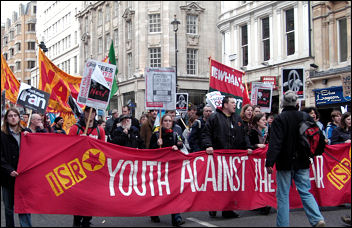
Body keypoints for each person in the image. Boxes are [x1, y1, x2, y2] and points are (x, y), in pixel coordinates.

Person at [265, 90, 326, 227]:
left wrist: (270, 161)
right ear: (297, 103)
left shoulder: (279, 119)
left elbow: (276, 142)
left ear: (283, 104)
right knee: (305, 192)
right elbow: (318, 136)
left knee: (283, 196)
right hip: (303, 160)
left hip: (284, 161)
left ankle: (283, 225)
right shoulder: (306, 117)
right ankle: (317, 219)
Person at [202, 96, 253, 219]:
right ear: (225, 105)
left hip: (233, 158)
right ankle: (213, 206)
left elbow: (243, 135)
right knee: (217, 183)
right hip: (218, 157)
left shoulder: (237, 119)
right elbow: (206, 134)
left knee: (230, 184)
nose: (235, 105)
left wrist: (247, 147)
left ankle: (228, 209)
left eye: (235, 103)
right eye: (232, 103)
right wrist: (208, 146)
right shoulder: (214, 117)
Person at [68, 106, 105, 227]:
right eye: (88, 111)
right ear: (84, 113)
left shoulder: (100, 130)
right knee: (78, 197)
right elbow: (67, 148)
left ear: (95, 114)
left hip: (94, 169)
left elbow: (104, 149)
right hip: (78, 168)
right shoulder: (75, 129)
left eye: (92, 112)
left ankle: (87, 220)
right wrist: (79, 141)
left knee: (91, 196)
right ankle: (77, 221)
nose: (90, 114)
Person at [149, 114, 185, 226]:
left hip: (173, 168)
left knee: (174, 191)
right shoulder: (156, 135)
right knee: (159, 191)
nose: (168, 123)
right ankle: (154, 213)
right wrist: (157, 144)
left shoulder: (175, 134)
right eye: (165, 121)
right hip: (160, 168)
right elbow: (149, 151)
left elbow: (181, 144)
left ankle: (176, 216)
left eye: (170, 121)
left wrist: (177, 146)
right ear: (161, 122)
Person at [1, 108, 32, 227]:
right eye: (10, 116)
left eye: (15, 115)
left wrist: (31, 137)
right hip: (8, 176)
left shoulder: (26, 132)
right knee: (9, 208)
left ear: (19, 118)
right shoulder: (2, 135)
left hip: (23, 176)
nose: (13, 117)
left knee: (24, 206)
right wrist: (9, 170)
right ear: (6, 119)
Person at [248, 113, 271, 215]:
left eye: (265, 119)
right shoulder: (252, 132)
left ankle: (265, 202)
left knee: (265, 182)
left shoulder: (267, 131)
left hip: (265, 161)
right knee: (257, 182)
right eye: (263, 120)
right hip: (255, 162)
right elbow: (248, 145)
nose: (265, 121)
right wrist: (257, 145)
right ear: (257, 122)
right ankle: (259, 203)